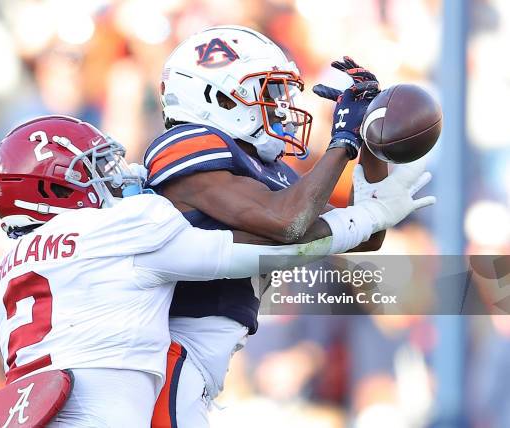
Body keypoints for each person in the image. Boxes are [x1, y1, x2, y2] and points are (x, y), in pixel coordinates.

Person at [0, 114, 431, 428]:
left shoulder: (7, 267)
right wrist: (371, 216)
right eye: (94, 168)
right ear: (54, 187)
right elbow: (275, 248)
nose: (117, 172)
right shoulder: (124, 226)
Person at [146, 25, 433, 427]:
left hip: (204, 361)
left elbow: (360, 237)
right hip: (168, 355)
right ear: (216, 96)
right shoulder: (188, 144)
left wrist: (371, 141)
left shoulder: (268, 173)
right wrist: (343, 141)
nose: (281, 105)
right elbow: (290, 225)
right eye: (268, 91)